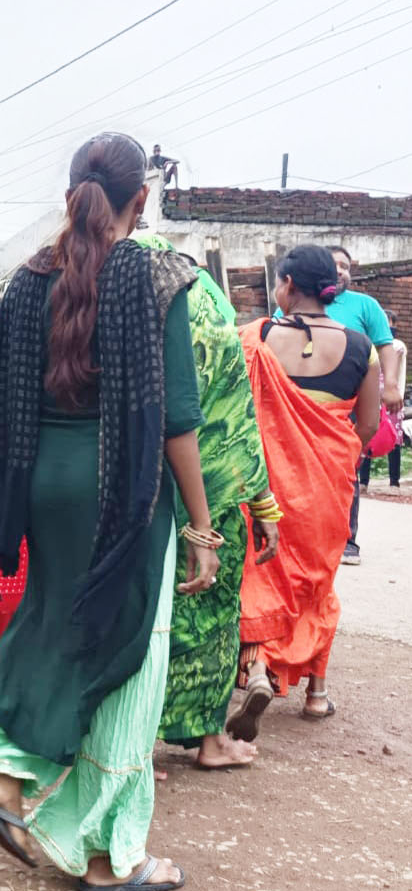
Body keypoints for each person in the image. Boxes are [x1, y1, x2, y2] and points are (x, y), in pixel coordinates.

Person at [0, 133, 213, 890]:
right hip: (120, 493)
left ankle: (5, 765)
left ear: (70, 197)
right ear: (140, 200)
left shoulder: (30, 280)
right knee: (128, 660)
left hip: (44, 489)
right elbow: (177, 420)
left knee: (58, 625)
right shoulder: (158, 279)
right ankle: (105, 854)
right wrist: (201, 527)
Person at [133, 234, 279, 772]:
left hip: (130, 489)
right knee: (212, 618)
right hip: (212, 494)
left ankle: (126, 734)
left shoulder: (121, 298)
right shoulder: (214, 310)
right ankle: (210, 740)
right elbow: (237, 422)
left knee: (139, 613)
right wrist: (265, 509)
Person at [230, 245, 378, 742]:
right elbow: (369, 425)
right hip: (328, 489)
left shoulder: (258, 338)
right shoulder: (362, 347)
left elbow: (237, 412)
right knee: (318, 583)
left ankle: (255, 671)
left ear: (289, 285)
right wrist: (326, 460)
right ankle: (316, 693)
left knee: (262, 576)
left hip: (268, 486)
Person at [315, 247, 399, 564]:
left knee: (347, 465)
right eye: (333, 264)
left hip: (350, 400)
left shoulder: (365, 305)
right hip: (304, 400)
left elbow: (385, 346)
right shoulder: (300, 302)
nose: (340, 270)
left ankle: (347, 540)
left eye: (345, 266)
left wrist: (390, 386)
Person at [360, 308, 406, 489]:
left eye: (390, 323)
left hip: (392, 399)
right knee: (367, 434)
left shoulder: (398, 345)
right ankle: (363, 481)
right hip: (370, 396)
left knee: (392, 437)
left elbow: (392, 351)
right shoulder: (368, 344)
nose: (386, 326)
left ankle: (394, 482)